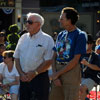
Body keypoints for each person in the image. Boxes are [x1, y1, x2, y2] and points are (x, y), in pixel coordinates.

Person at [13, 13, 54, 100]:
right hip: (24, 78)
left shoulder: (47, 39)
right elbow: (16, 58)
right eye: (26, 21)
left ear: (38, 24)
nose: (27, 24)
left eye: (30, 22)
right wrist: (21, 74)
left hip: (40, 78)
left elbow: (49, 61)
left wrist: (34, 73)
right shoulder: (23, 37)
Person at [49, 7, 87, 100]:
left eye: (62, 19)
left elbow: (75, 60)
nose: (59, 20)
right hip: (57, 70)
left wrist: (57, 74)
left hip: (71, 72)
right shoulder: (61, 34)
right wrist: (55, 75)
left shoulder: (80, 35)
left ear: (69, 20)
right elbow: (54, 56)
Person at [79, 34, 100, 100]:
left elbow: (98, 67)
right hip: (80, 77)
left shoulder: (95, 56)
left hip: (91, 78)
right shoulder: (80, 54)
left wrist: (87, 64)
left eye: (86, 43)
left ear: (91, 44)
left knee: (82, 88)